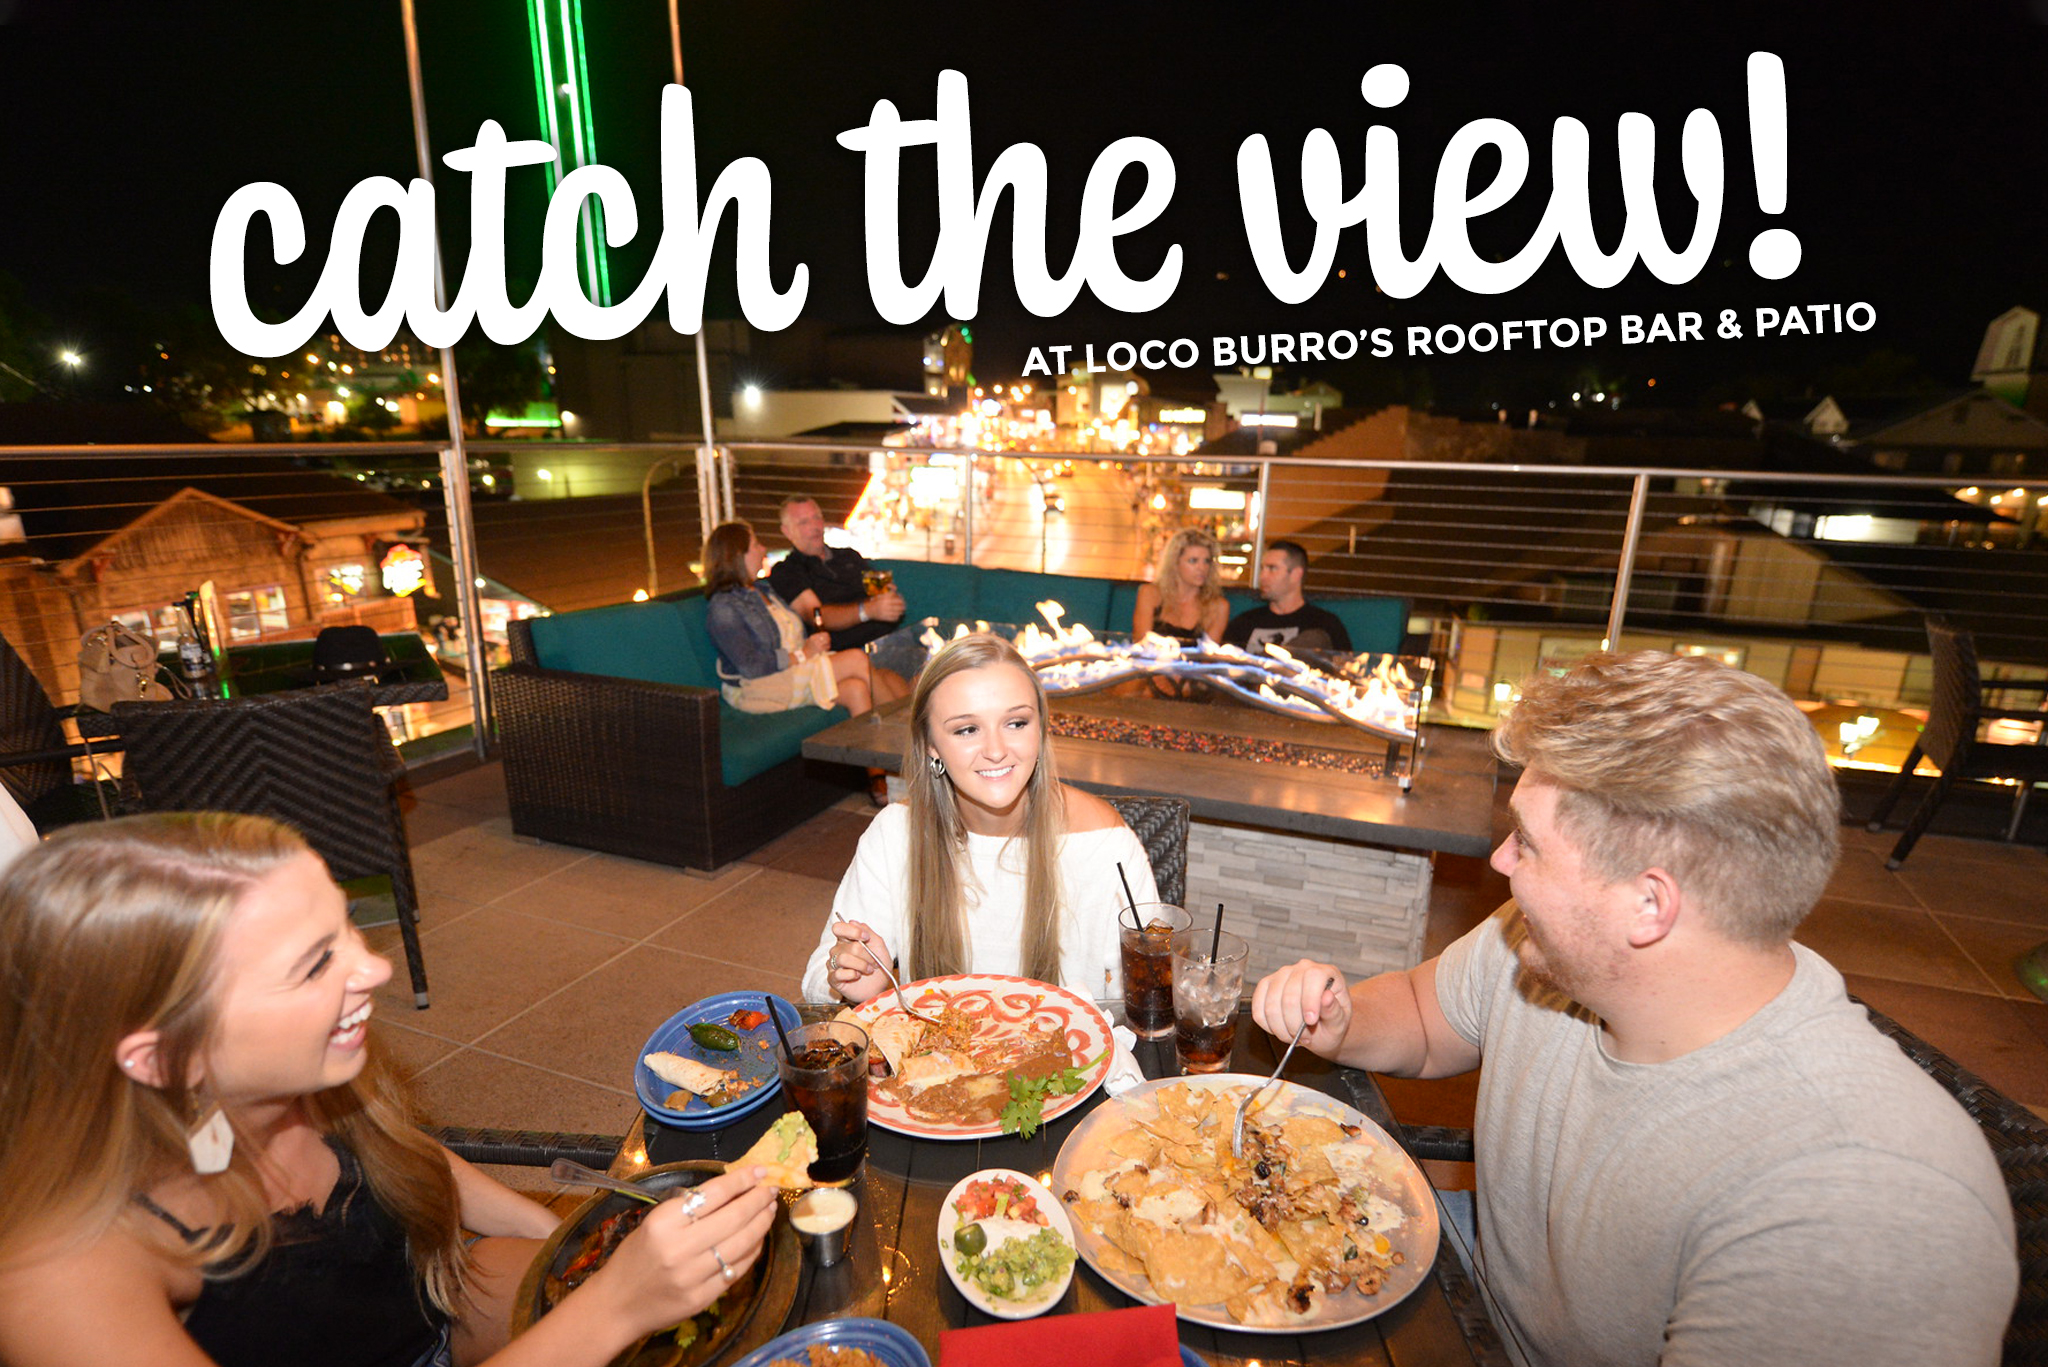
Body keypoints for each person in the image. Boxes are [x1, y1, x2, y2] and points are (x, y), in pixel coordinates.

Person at [1252, 651, 2017, 1367]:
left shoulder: (1858, 1212)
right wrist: (1343, 1019)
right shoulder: (1549, 946)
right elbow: (1424, 1013)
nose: (1499, 860)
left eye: (1527, 842)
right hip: (1465, 1288)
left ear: (1648, 904)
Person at [0, 813, 778, 1367]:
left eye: (347, 926)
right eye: (314, 963)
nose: (372, 968)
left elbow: (412, 1156)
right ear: (166, 1058)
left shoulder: (307, 1075)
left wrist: (573, 1243)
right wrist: (615, 1306)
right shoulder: (52, 1281)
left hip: (438, 1317)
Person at [801, 633, 1159, 1003]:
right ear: (931, 746)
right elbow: (818, 978)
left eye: (1016, 723)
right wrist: (850, 980)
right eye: (967, 729)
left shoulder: (1103, 842)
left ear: (1041, 728)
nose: (996, 750)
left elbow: (1148, 994)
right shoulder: (895, 834)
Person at [701, 519, 905, 720]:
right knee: (857, 660)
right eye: (755, 545)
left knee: (856, 689)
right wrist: (803, 654)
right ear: (738, 555)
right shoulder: (724, 606)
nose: (763, 549)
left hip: (794, 669)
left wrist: (810, 648)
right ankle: (906, 730)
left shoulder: (764, 590)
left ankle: (872, 742)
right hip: (759, 686)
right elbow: (751, 666)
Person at [768, 496, 909, 656]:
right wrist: (867, 610)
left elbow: (883, 592)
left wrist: (890, 600)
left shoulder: (848, 556)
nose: (815, 526)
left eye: (817, 517)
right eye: (804, 522)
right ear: (787, 531)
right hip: (846, 652)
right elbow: (817, 616)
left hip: (889, 639)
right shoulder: (786, 571)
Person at [1222, 540, 1351, 652]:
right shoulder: (1244, 623)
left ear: (1296, 574)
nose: (1263, 576)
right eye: (1262, 569)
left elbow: (1344, 667)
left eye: (1272, 568)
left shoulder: (1325, 624)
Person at [1132, 528, 1228, 646]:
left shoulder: (1218, 607)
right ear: (1175, 562)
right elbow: (1141, 645)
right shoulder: (1150, 594)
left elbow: (1208, 655)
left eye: (1207, 561)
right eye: (1193, 561)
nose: (1202, 568)